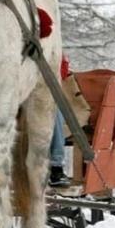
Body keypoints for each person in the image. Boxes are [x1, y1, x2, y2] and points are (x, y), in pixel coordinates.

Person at [49, 54, 72, 188]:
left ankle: (56, 167)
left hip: (44, 91)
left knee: (54, 110)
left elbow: (62, 73)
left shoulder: (55, 47)